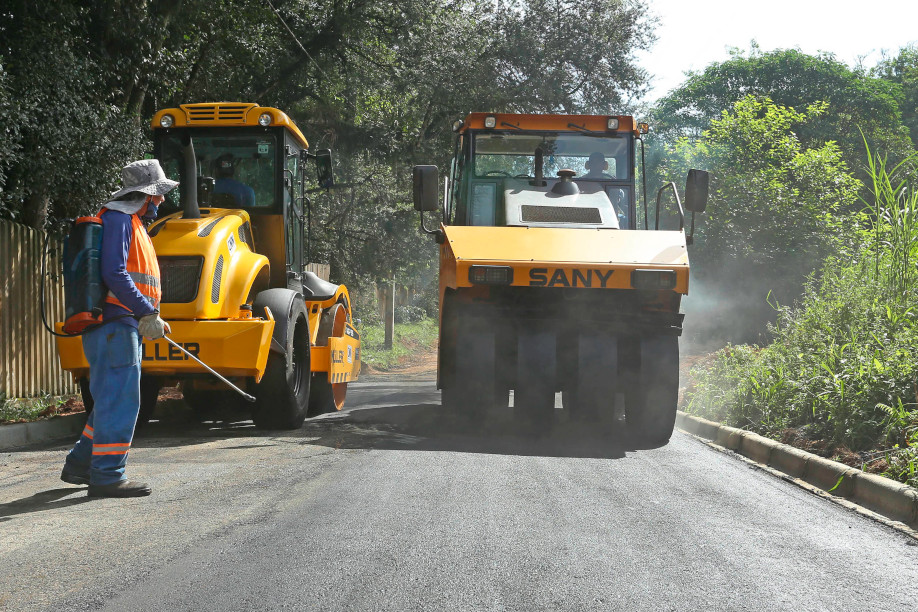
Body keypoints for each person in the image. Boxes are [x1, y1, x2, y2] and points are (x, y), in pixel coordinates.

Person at [60, 159, 177, 498]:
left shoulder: (131, 222)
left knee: (111, 400)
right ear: (145, 195)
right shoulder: (120, 219)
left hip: (119, 324)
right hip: (116, 324)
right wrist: (146, 311)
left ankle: (80, 465)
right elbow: (114, 272)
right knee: (121, 402)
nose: (162, 201)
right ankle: (108, 477)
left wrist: (144, 314)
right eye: (159, 195)